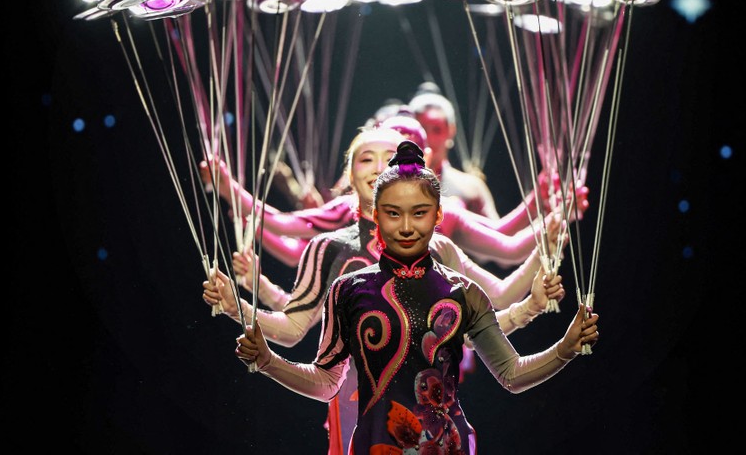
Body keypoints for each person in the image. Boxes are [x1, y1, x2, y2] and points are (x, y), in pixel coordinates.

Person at [203, 127, 567, 454]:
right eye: (366, 158)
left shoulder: (441, 251)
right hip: (358, 409)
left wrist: (535, 289)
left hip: (438, 428)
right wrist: (241, 309)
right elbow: (295, 326)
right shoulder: (330, 250)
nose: (378, 166)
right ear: (350, 175)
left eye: (388, 157)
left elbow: (488, 312)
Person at [199, 116, 578, 269]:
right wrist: (232, 194)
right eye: (372, 159)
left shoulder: (445, 214)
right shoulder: (348, 210)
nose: (386, 167)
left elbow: (506, 247)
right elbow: (290, 237)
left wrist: (553, 214)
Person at [408, 82, 500, 220]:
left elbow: (498, 231)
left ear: (451, 130)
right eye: (422, 130)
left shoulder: (471, 188)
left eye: (437, 130)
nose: (429, 139)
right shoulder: (392, 185)